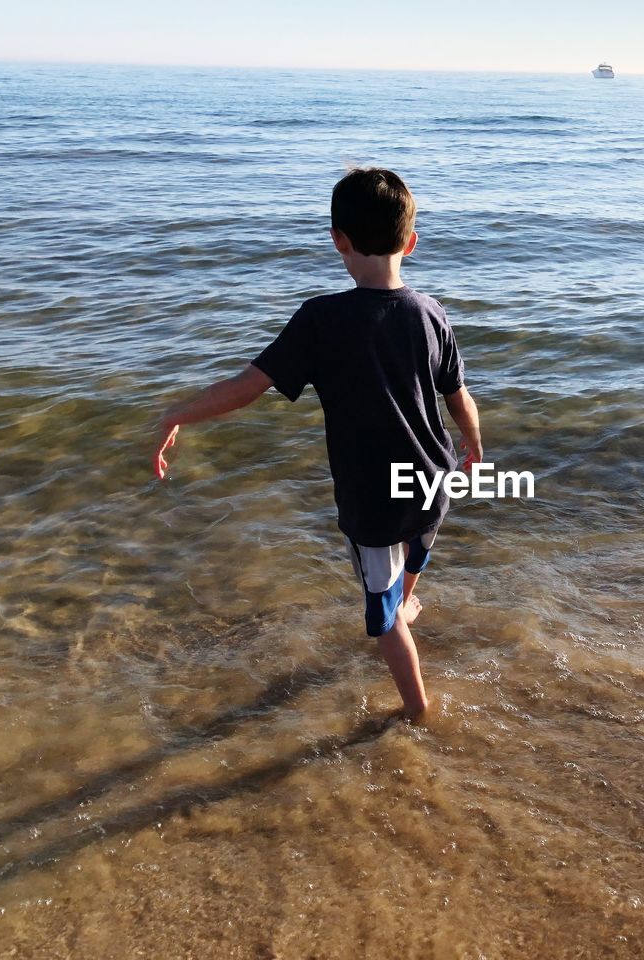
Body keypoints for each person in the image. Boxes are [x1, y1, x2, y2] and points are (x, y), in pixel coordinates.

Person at [152, 168, 482, 722]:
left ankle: (417, 711)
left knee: (382, 621)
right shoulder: (431, 313)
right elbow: (459, 397)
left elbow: (246, 388)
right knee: (418, 541)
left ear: (339, 240)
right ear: (411, 242)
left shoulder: (321, 319)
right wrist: (475, 450)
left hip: (374, 503)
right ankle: (408, 597)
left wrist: (175, 415)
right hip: (435, 479)